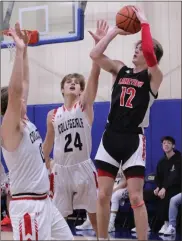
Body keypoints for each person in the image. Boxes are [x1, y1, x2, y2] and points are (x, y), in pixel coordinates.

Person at [89, 6, 163, 240]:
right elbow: (95, 56)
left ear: (151, 55)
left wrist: (144, 24)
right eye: (136, 46)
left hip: (134, 139)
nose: (137, 50)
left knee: (135, 198)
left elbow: (151, 55)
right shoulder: (120, 68)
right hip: (111, 135)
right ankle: (102, 238)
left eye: (141, 48)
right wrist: (111, 34)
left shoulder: (153, 77)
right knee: (102, 195)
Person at [1, 23, 73, 240]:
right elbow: (15, 91)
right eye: (21, 99)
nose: (25, 98)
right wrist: (19, 50)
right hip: (28, 207)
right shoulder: (9, 129)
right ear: (10, 106)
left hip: (45, 202)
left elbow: (23, 82)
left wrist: (25, 51)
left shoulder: (26, 122)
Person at [43, 20, 109, 237]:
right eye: (68, 81)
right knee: (56, 216)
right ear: (62, 88)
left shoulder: (84, 106)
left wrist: (97, 54)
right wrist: (46, 162)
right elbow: (49, 142)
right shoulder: (53, 114)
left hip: (82, 167)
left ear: (81, 89)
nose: (72, 83)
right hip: (60, 169)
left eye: (76, 82)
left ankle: (102, 237)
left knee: (92, 212)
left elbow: (95, 78)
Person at [131, 136, 181, 234]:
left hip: (176, 188)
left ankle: (166, 224)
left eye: (168, 143)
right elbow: (158, 177)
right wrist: (158, 187)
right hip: (163, 188)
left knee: (167, 194)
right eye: (164, 143)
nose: (166, 145)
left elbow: (174, 177)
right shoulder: (161, 161)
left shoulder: (179, 159)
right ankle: (144, 224)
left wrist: (164, 188)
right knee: (141, 195)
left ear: (173, 146)